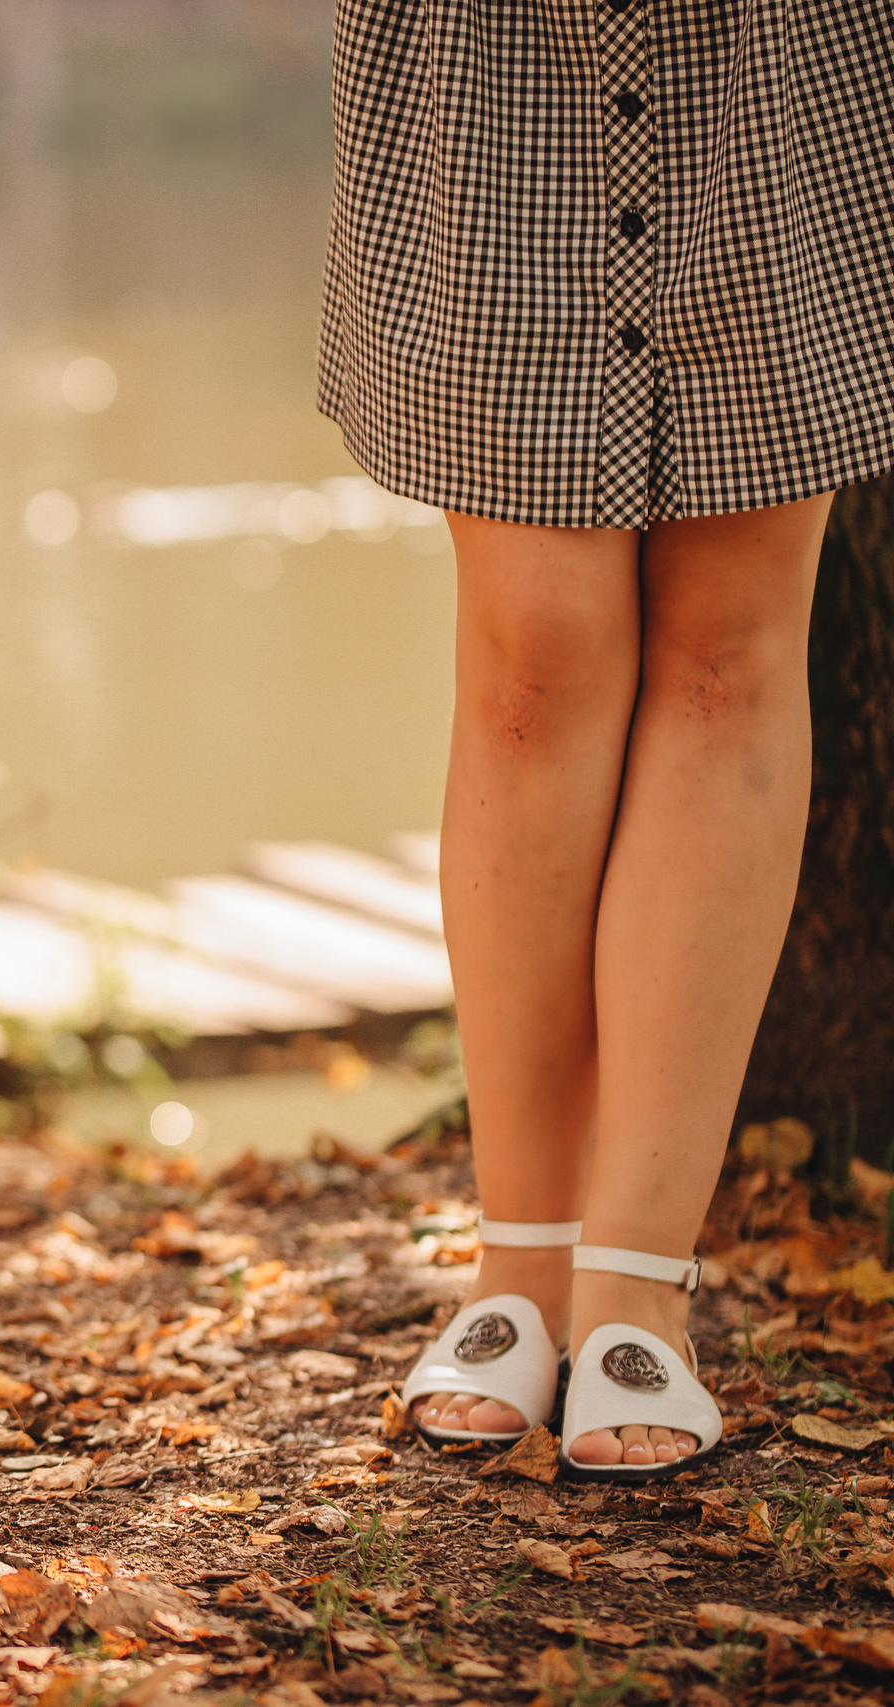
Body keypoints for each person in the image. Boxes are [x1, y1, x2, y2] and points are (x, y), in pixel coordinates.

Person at [327, 10, 894, 1479]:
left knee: (728, 649)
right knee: (533, 659)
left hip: (787, 56)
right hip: (485, 60)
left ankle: (638, 1279)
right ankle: (515, 1262)